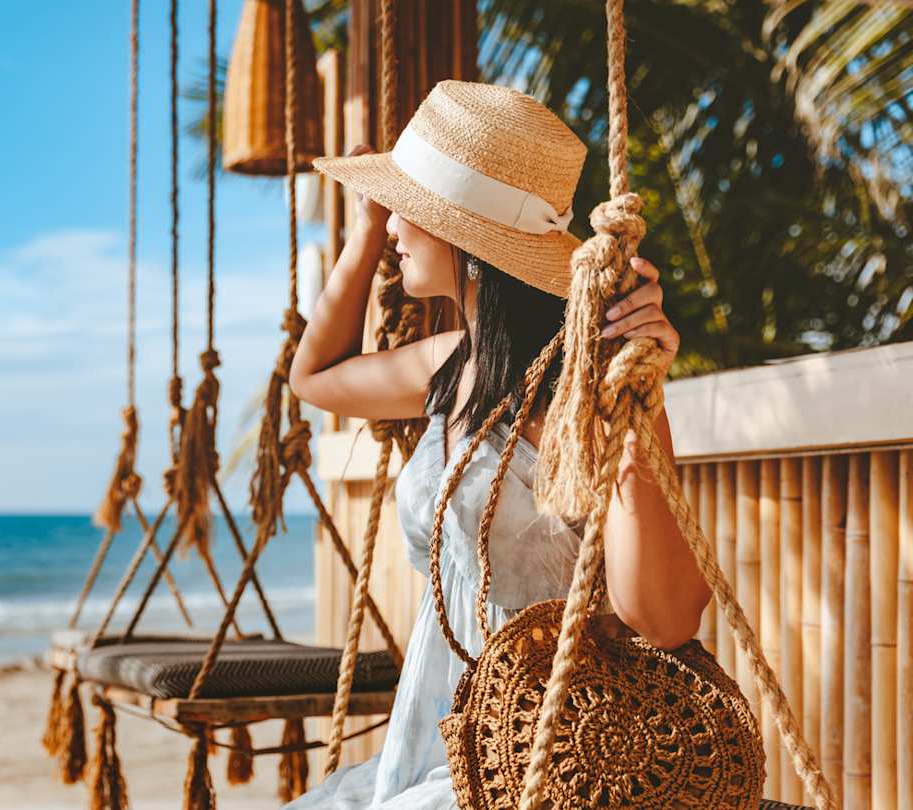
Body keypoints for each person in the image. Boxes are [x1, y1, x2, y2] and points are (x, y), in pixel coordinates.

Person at [282, 80, 710, 809]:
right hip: (441, 734)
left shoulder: (590, 390)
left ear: (466, 237)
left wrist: (637, 393)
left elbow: (665, 620)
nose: (395, 233)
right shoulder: (453, 366)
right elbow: (313, 377)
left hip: (554, 747)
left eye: (407, 212)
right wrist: (364, 227)